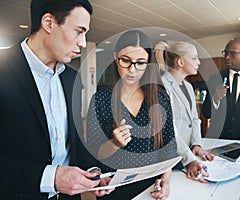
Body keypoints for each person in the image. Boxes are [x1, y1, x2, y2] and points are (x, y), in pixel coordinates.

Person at [0, 0, 115, 199]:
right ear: (49, 23)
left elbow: (74, 142)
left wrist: (94, 172)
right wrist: (50, 178)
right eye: (79, 31)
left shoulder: (71, 78)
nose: (83, 43)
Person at [86, 30, 195, 200]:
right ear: (116, 57)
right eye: (125, 60)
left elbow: (168, 147)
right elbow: (94, 152)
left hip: (151, 188)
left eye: (140, 63)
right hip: (114, 188)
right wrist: (114, 143)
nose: (132, 70)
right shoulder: (100, 99)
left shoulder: (160, 97)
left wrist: (166, 181)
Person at [154, 41, 213, 182]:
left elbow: (194, 119)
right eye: (194, 58)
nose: (198, 62)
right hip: (171, 157)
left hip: (187, 153)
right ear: (180, 61)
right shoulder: (162, 86)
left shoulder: (188, 86)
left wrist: (197, 145)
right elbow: (169, 127)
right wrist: (190, 159)